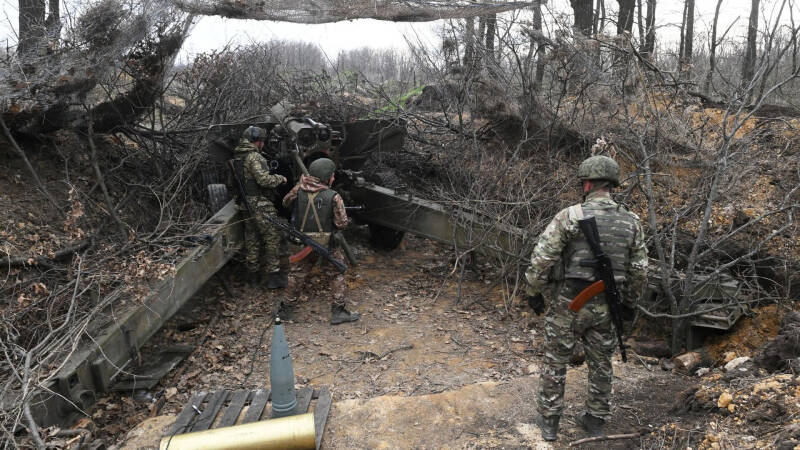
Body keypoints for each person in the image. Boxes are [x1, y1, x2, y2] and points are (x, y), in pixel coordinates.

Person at [524, 155, 648, 441]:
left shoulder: (570, 216)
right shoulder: (631, 221)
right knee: (601, 361)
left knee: (556, 360)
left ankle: (550, 423)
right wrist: (628, 303)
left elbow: (543, 257)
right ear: (611, 185)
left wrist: (533, 291)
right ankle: (595, 419)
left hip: (568, 302)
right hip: (607, 305)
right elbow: (639, 271)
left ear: (588, 183)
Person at [282, 158, 360, 325]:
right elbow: (342, 223)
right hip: (326, 243)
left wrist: (300, 187)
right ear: (326, 177)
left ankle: (286, 310)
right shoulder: (334, 196)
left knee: (296, 274)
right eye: (332, 175)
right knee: (336, 274)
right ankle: (338, 312)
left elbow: (285, 202)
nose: (333, 178)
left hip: (302, 242)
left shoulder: (298, 189)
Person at [232, 126, 289, 289]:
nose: (263, 144)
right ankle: (273, 277)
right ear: (257, 141)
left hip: (245, 204)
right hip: (259, 203)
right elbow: (264, 180)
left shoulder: (238, 156)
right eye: (262, 141)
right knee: (272, 237)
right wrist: (280, 178)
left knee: (252, 239)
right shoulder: (253, 157)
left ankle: (253, 276)